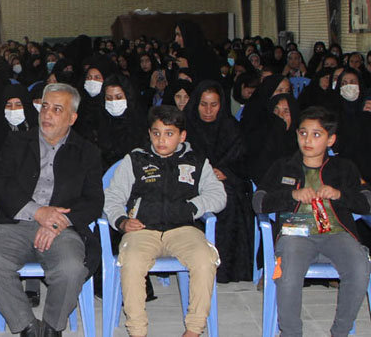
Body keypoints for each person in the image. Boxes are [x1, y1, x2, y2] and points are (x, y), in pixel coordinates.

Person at [0, 83, 103, 337]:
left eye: (57, 109)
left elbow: (93, 200)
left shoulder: (87, 152)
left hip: (62, 228)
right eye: (45, 107)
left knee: (71, 268)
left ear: (72, 118)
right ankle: (28, 327)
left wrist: (57, 221)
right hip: (13, 222)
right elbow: (1, 184)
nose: (47, 114)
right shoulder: (16, 142)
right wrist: (37, 212)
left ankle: (52, 327)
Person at [104, 105, 226, 337]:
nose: (161, 140)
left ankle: (194, 329)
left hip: (183, 229)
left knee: (205, 259)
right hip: (142, 229)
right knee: (131, 262)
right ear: (149, 133)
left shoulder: (196, 161)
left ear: (182, 136)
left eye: (169, 134)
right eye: (156, 133)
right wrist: (121, 221)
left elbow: (218, 196)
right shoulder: (135, 160)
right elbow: (112, 196)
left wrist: (191, 208)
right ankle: (137, 331)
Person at [253, 106, 371, 337]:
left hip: (337, 234)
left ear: (330, 139)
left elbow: (366, 202)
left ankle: (340, 332)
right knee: (287, 273)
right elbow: (259, 202)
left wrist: (339, 195)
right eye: (303, 133)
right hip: (295, 234)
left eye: (316, 134)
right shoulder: (283, 166)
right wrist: (292, 195)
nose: (308, 140)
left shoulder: (344, 168)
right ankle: (291, 333)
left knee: (359, 267)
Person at [184, 81, 253, 283]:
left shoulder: (231, 128)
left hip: (224, 182)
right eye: (203, 104)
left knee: (230, 200)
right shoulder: (186, 127)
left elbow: (244, 163)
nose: (208, 110)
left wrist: (226, 173)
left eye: (213, 105)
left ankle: (225, 268)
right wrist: (203, 174)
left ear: (221, 105)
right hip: (190, 183)